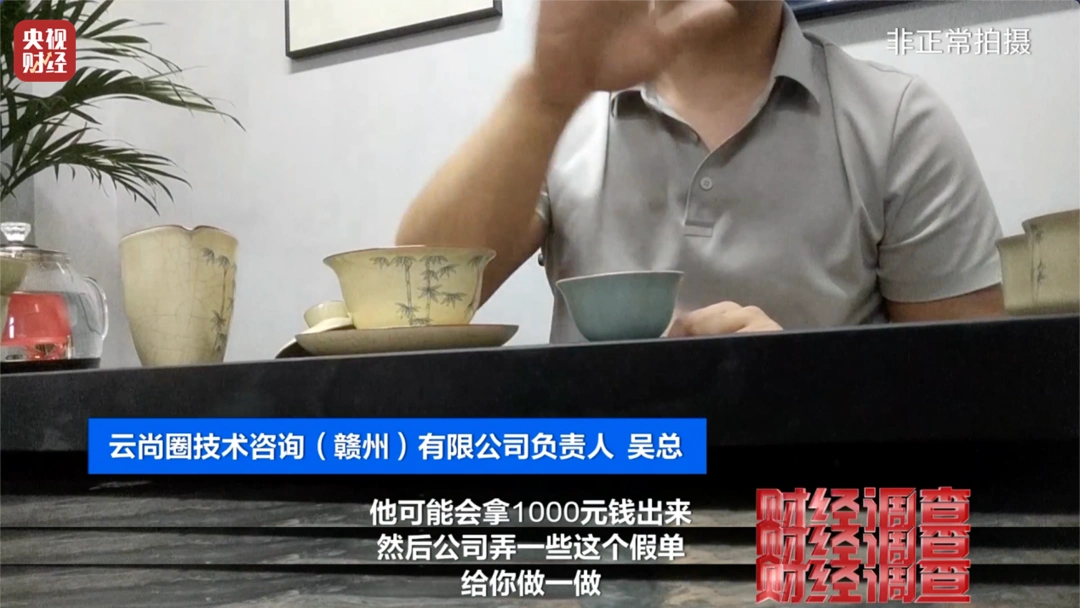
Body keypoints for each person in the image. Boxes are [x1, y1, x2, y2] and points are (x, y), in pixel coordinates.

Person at [396, 0, 1004, 342]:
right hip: (604, 503)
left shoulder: (897, 120)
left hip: (801, 518)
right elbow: (410, 297)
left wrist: (800, 387)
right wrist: (545, 94)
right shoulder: (560, 118)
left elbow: (967, 397)